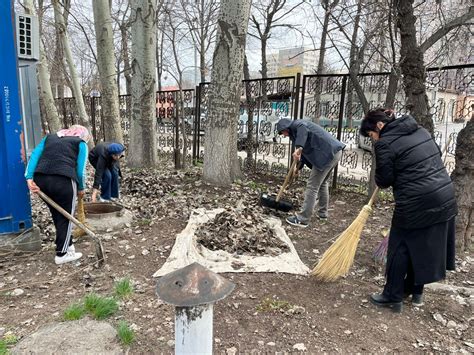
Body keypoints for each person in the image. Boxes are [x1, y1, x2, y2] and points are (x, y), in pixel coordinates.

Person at [360, 108, 457, 313]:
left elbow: (384, 181)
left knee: (399, 247)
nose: (373, 139)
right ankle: (416, 292)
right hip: (445, 196)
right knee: (423, 246)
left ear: (379, 126)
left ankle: (392, 296)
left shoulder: (385, 143)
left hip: (417, 201)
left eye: (371, 135)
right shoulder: (421, 131)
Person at [25, 125, 89, 265]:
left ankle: (68, 245)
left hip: (41, 179)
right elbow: (80, 170)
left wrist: (29, 177)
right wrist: (81, 187)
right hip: (63, 180)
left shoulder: (50, 137)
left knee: (58, 214)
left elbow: (35, 154)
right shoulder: (81, 143)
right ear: (83, 135)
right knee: (66, 216)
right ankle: (62, 254)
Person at [275, 118, 345, 227]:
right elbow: (304, 153)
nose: (283, 135)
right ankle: (322, 214)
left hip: (327, 154)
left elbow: (303, 134)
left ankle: (303, 219)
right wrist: (298, 168)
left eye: (282, 132)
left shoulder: (298, 125)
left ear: (286, 128)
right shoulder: (295, 133)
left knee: (312, 186)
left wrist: (299, 148)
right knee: (322, 183)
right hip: (334, 152)